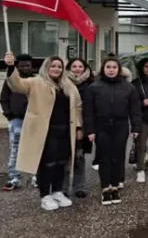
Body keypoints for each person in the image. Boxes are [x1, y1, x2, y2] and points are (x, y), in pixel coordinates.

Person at [3, 52, 82, 212]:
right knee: (47, 163)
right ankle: (45, 195)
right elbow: (16, 84)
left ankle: (57, 191)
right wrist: (11, 66)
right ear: (46, 67)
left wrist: (79, 127)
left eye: (59, 66)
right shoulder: (36, 82)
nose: (56, 69)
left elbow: (78, 106)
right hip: (45, 132)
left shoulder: (69, 86)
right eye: (53, 66)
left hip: (65, 130)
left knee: (61, 163)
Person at [83, 57, 141, 206]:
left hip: (120, 125)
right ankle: (105, 188)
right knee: (104, 157)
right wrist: (90, 130)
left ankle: (115, 186)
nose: (111, 70)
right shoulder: (94, 87)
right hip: (101, 126)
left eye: (114, 67)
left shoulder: (128, 87)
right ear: (103, 69)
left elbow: (134, 109)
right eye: (108, 67)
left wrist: (135, 127)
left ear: (119, 69)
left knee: (118, 157)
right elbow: (88, 111)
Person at [0, 53, 34, 191]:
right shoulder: (11, 81)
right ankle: (14, 177)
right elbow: (4, 99)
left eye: (28, 65)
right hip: (17, 120)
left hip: (33, 121)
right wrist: (10, 115)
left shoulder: (36, 81)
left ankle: (36, 177)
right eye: (22, 66)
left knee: (35, 149)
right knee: (15, 149)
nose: (25, 68)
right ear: (17, 67)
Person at [64, 58, 95, 198]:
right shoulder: (63, 82)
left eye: (80, 66)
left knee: (79, 157)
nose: (77, 69)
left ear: (85, 68)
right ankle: (63, 188)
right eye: (74, 66)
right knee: (64, 158)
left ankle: (79, 187)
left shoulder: (91, 84)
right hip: (65, 124)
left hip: (83, 124)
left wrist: (85, 128)